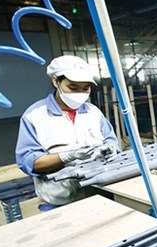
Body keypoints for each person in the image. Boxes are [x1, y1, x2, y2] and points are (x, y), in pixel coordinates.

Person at [15, 55, 118, 207]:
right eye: (73, 88)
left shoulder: (93, 112)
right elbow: (28, 162)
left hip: (101, 196)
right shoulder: (34, 116)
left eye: (85, 88)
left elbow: (111, 141)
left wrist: (110, 149)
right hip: (61, 203)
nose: (80, 94)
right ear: (56, 81)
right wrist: (66, 156)